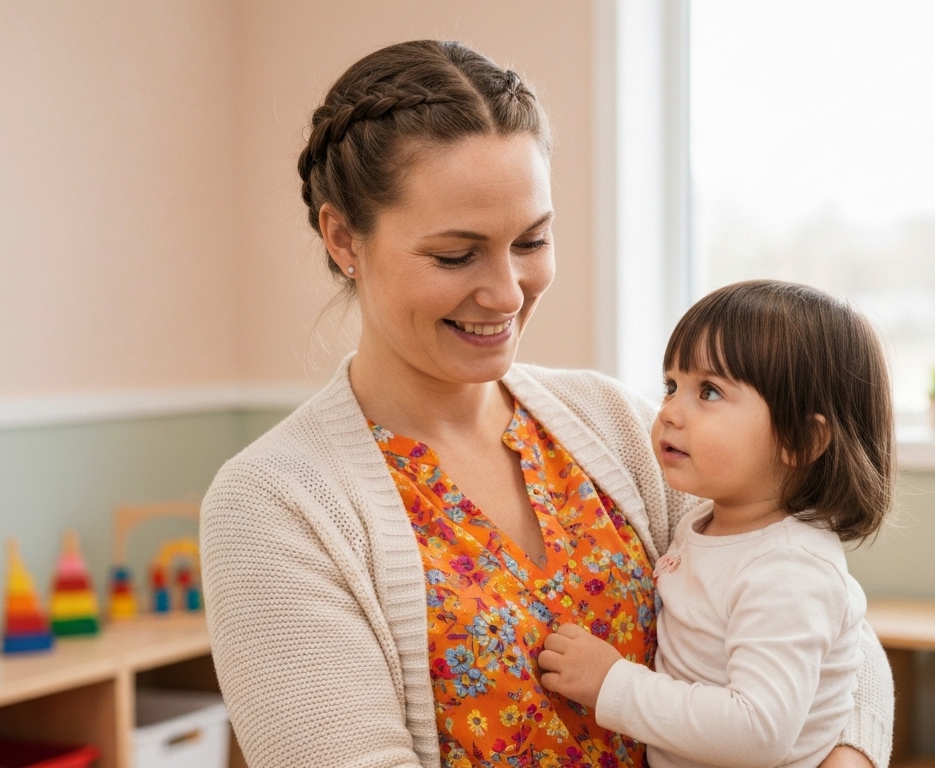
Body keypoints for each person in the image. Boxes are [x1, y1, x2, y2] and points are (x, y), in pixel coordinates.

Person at [199, 40, 894, 768]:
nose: (506, 293)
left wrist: (847, 756)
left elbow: (820, 622)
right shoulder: (274, 507)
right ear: (343, 238)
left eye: (531, 240)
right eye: (455, 255)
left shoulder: (621, 427)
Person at [537, 281, 894, 768]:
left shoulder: (788, 568)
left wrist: (611, 684)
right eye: (671, 386)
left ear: (802, 441)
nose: (668, 413)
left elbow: (756, 733)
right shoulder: (708, 522)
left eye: (709, 391)